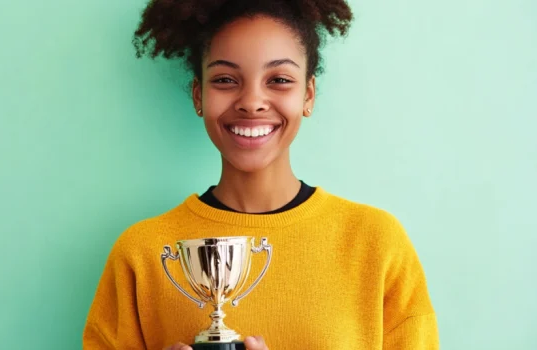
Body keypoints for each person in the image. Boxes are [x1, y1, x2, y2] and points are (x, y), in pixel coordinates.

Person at [82, 0, 439, 349]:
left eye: (280, 79)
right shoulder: (142, 254)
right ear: (198, 95)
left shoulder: (377, 245)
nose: (252, 101)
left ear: (308, 95)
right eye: (224, 79)